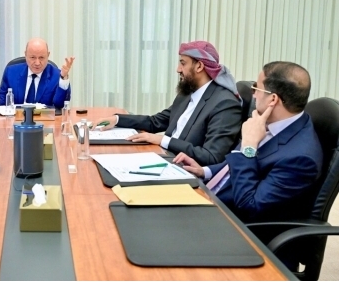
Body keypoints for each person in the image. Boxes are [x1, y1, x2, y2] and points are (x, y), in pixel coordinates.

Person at [175, 61, 322, 223]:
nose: (254, 95)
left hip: (230, 221)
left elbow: (250, 206)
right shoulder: (273, 121)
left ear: (273, 99)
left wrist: (248, 148)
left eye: (256, 88)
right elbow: (238, 167)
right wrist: (205, 171)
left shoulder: (301, 159)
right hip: (210, 196)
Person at [96, 41, 242, 166]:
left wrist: (162, 140)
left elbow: (211, 156)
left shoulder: (225, 104)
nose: (178, 69)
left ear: (199, 66)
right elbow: (155, 122)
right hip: (164, 158)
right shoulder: (187, 93)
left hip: (185, 171)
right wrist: (117, 119)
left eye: (183, 63)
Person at [0, 37, 74, 109]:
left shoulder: (57, 76)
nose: (37, 63)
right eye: (32, 57)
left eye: (41, 58)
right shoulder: (11, 72)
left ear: (48, 55)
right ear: (26, 55)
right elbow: (2, 100)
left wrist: (63, 77)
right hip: (16, 121)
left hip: (44, 122)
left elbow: (60, 105)